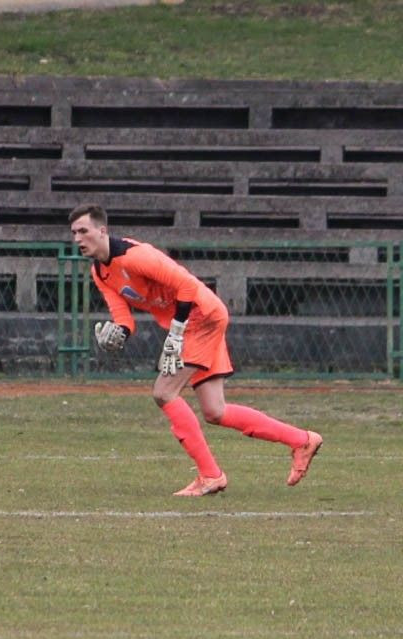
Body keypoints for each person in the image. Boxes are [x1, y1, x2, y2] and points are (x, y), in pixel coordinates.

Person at [69, 204, 323, 497]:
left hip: (202, 316)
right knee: (216, 411)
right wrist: (118, 333)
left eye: (84, 231)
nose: (78, 239)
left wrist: (176, 332)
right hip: (193, 322)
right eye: (74, 233)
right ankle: (302, 440)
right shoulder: (100, 273)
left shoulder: (136, 256)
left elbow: (187, 285)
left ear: (102, 231)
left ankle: (210, 476)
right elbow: (124, 318)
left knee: (164, 392)